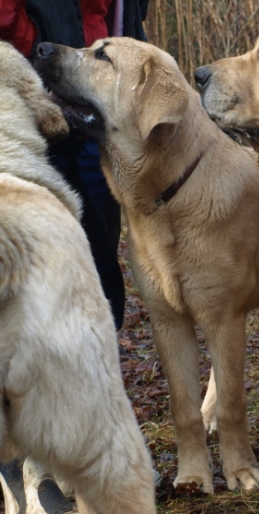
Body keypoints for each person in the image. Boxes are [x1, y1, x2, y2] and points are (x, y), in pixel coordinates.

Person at [0, 2, 149, 512]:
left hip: (89, 101)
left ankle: (81, 441)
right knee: (24, 280)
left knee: (98, 266)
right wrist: (27, 41)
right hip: (23, 90)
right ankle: (23, 464)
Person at [0, 0, 149, 331]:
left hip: (97, 98)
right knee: (38, 240)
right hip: (34, 91)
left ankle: (102, 347)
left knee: (100, 238)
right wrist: (30, 40)